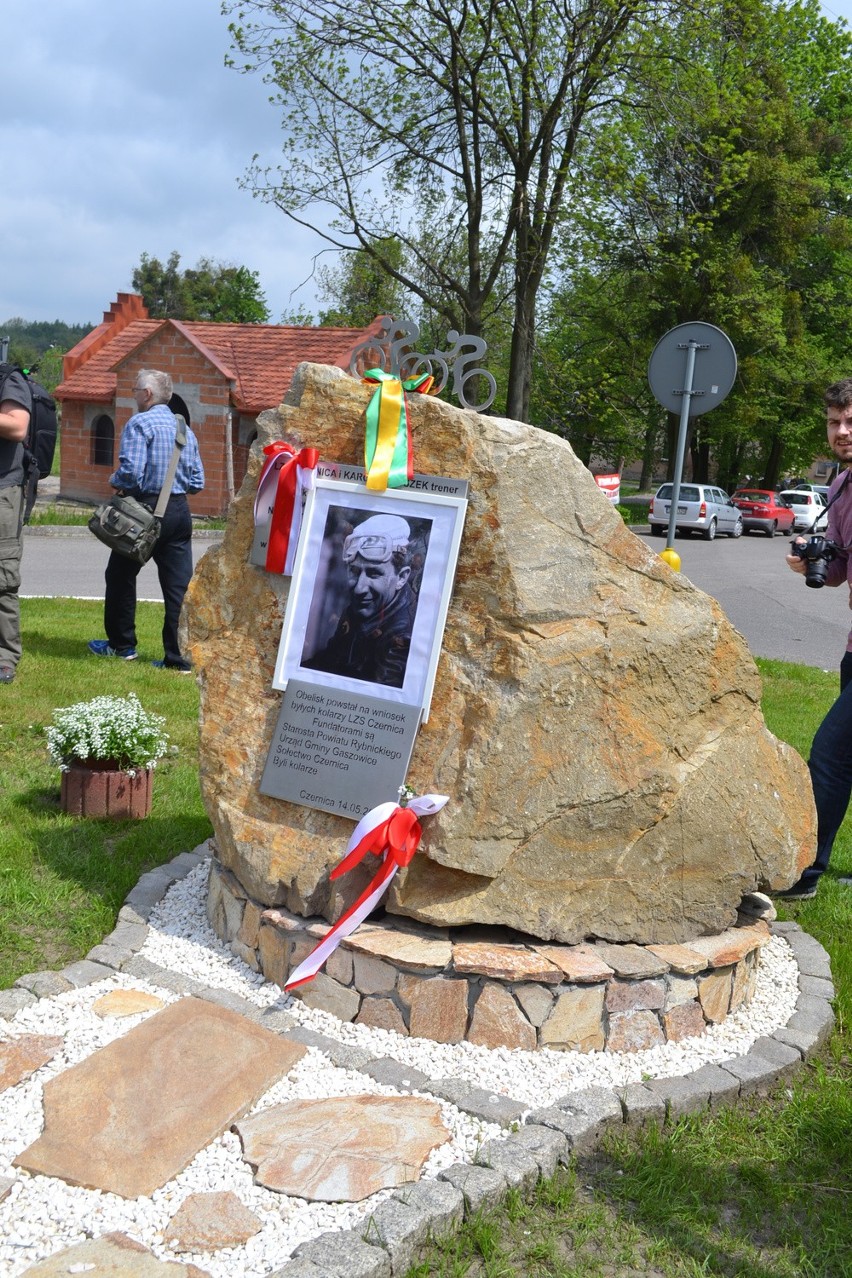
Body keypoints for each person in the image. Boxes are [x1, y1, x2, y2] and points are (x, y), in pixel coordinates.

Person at [780, 377, 852, 898]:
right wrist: (814, 558)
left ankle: (804, 872)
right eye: (834, 422)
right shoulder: (840, 487)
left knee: (829, 755)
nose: (842, 432)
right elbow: (840, 567)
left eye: (851, 420)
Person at [88, 369, 204, 673]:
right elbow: (197, 481)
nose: (133, 394)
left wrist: (114, 479)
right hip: (179, 512)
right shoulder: (184, 428)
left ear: (148, 394)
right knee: (179, 588)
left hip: (143, 512)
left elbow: (131, 474)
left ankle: (122, 646)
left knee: (120, 577)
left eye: (135, 389)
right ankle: (178, 659)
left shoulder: (140, 423)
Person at [302, 512, 418, 687]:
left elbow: (378, 695)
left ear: (402, 577)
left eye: (374, 574)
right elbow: (331, 657)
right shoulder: (365, 606)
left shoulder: (404, 636)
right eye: (355, 572)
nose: (359, 588)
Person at [0, 369, 32, 684]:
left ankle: (5, 659)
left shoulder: (9, 381)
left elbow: (18, 426)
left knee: (2, 578)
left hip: (2, 493)